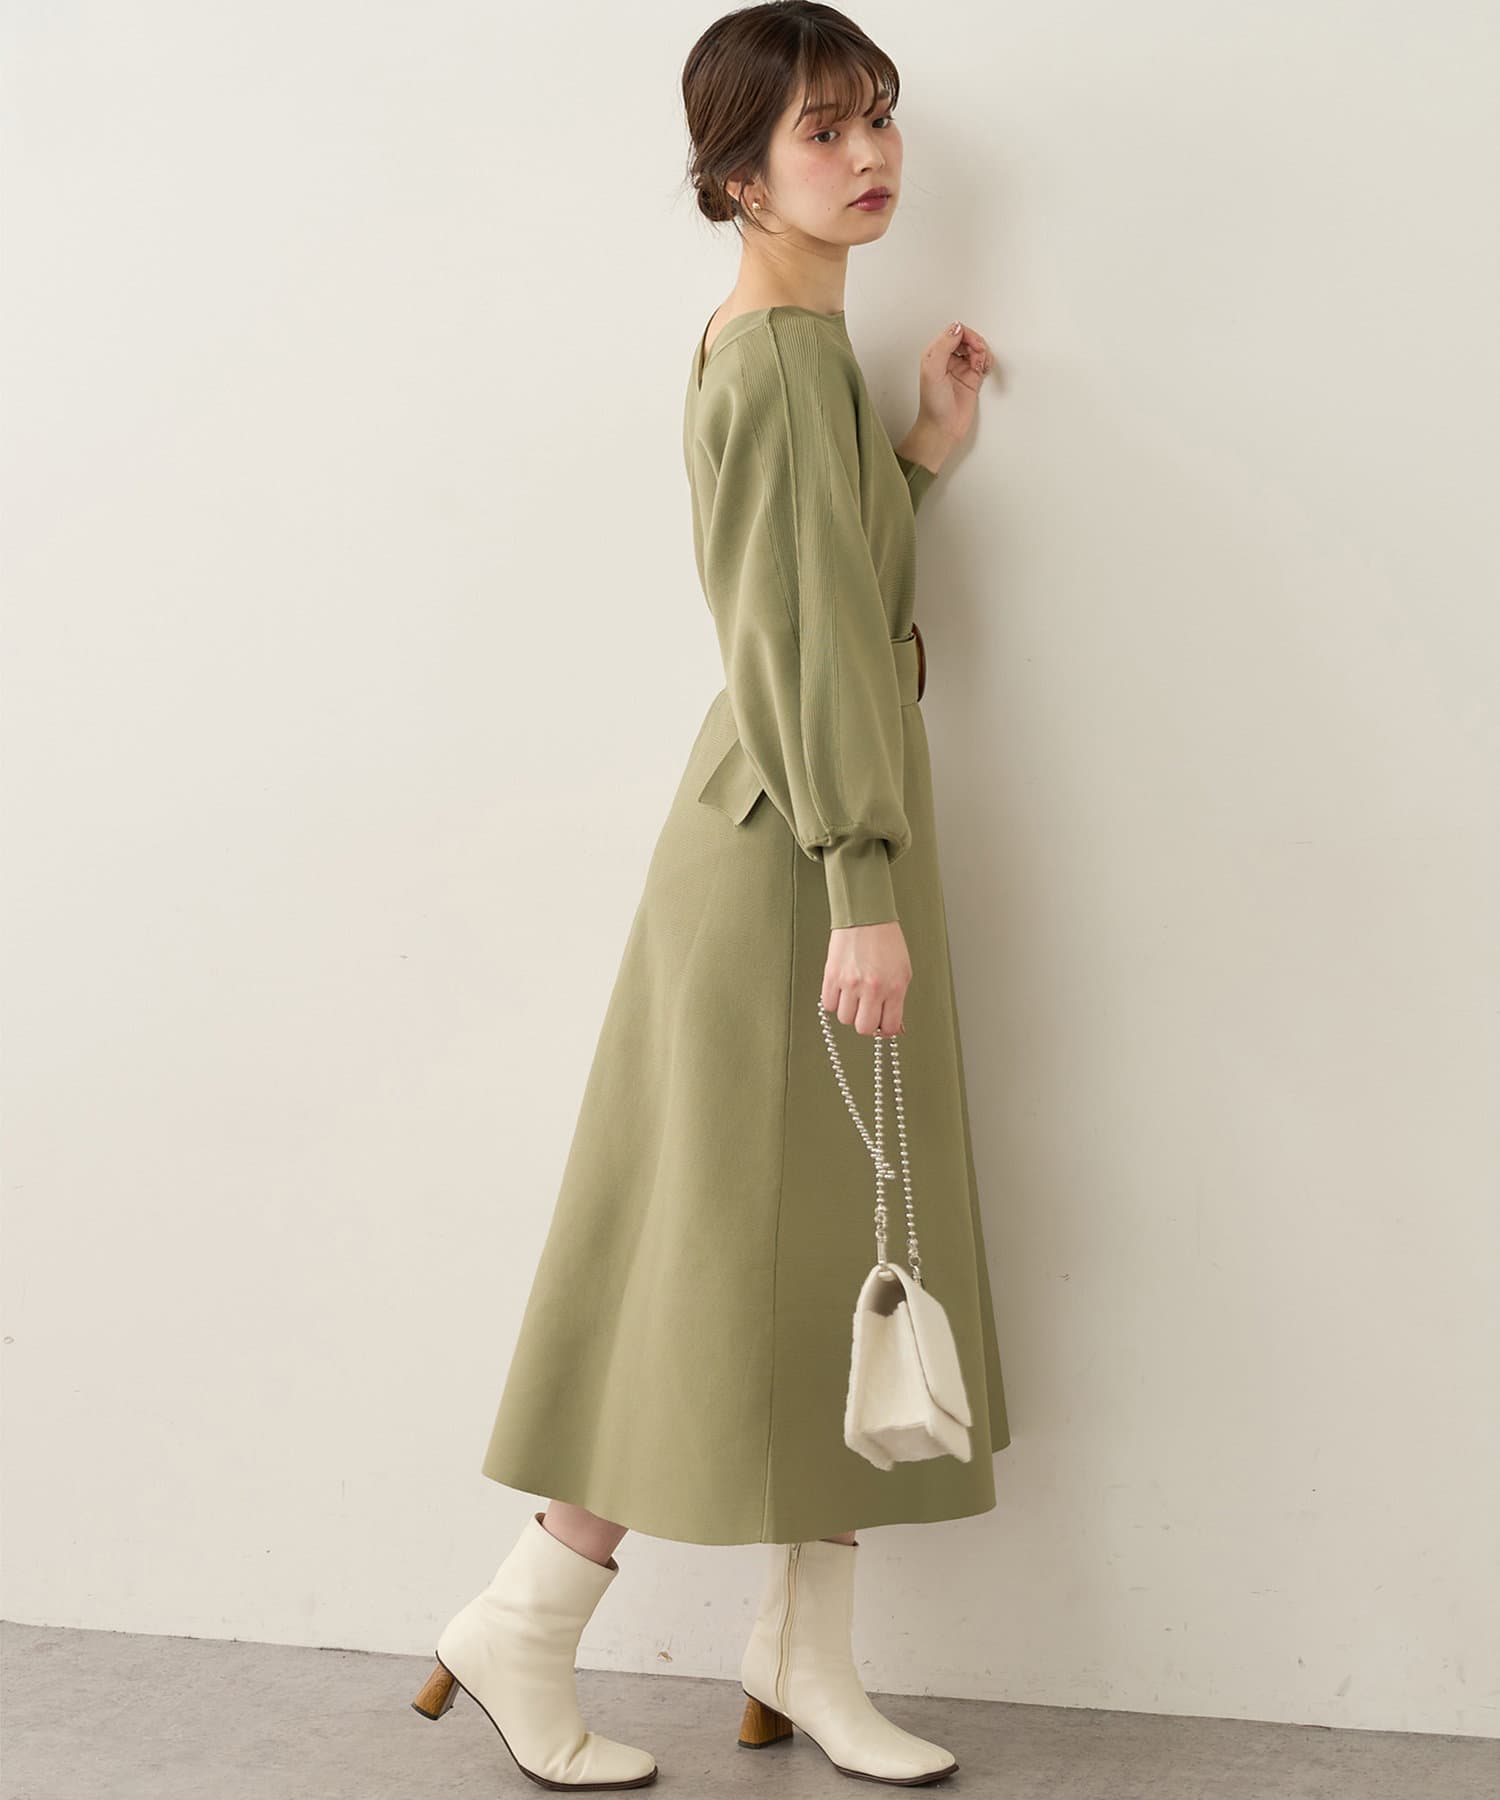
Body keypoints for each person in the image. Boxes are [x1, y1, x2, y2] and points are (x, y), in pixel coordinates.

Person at [411, 4, 1010, 1788]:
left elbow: (829, 587)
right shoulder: (771, 362)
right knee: (708, 1248)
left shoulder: (804, 353)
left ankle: (800, 1656)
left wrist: (922, 453)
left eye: (878, 116)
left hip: (817, 838)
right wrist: (861, 885)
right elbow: (796, 645)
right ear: (738, 175)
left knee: (836, 1245)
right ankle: (526, 1618)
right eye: (823, 130)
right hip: (794, 860)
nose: (870, 153)